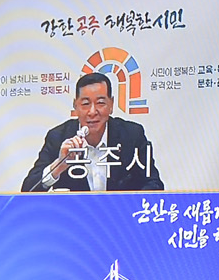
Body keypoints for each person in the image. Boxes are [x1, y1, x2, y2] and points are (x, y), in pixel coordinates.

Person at [22, 73, 164, 192]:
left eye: (100, 103)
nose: (92, 112)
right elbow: (28, 190)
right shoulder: (58, 137)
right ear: (75, 106)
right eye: (85, 104)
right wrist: (59, 165)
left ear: (111, 104)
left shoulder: (132, 135)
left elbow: (154, 185)